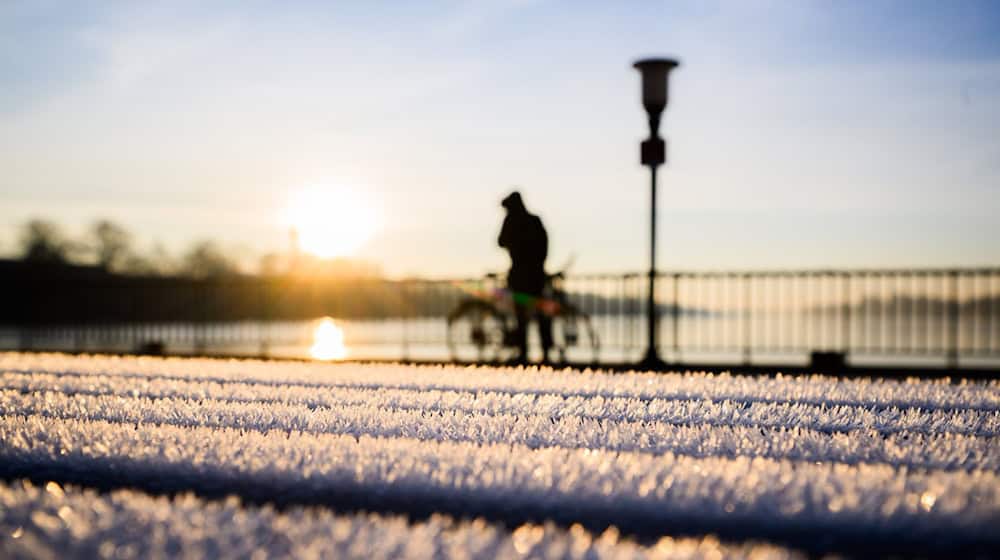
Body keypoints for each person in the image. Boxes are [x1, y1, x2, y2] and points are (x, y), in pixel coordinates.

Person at [498, 191, 553, 363]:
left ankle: (523, 353)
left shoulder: (511, 220)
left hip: (519, 277)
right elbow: (545, 246)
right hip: (536, 276)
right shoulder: (535, 221)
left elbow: (501, 241)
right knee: (540, 315)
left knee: (521, 317)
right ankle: (545, 353)